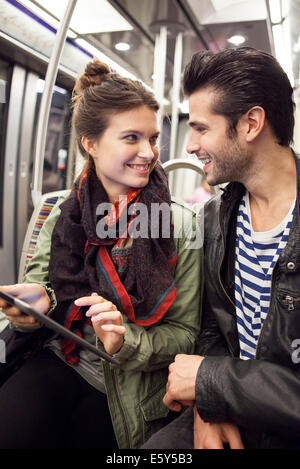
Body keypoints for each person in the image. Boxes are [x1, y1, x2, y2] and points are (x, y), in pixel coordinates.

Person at [0, 59, 202, 449]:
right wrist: (34, 310)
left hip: (130, 383)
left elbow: (186, 335)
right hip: (61, 357)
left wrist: (124, 340)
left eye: (153, 138)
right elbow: (47, 294)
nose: (149, 153)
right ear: (89, 143)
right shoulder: (59, 211)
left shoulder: (182, 225)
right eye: (131, 138)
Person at [143, 46, 300, 450]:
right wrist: (207, 408)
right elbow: (215, 328)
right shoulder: (215, 218)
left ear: (250, 123)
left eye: (200, 128)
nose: (190, 146)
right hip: (231, 404)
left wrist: (212, 383)